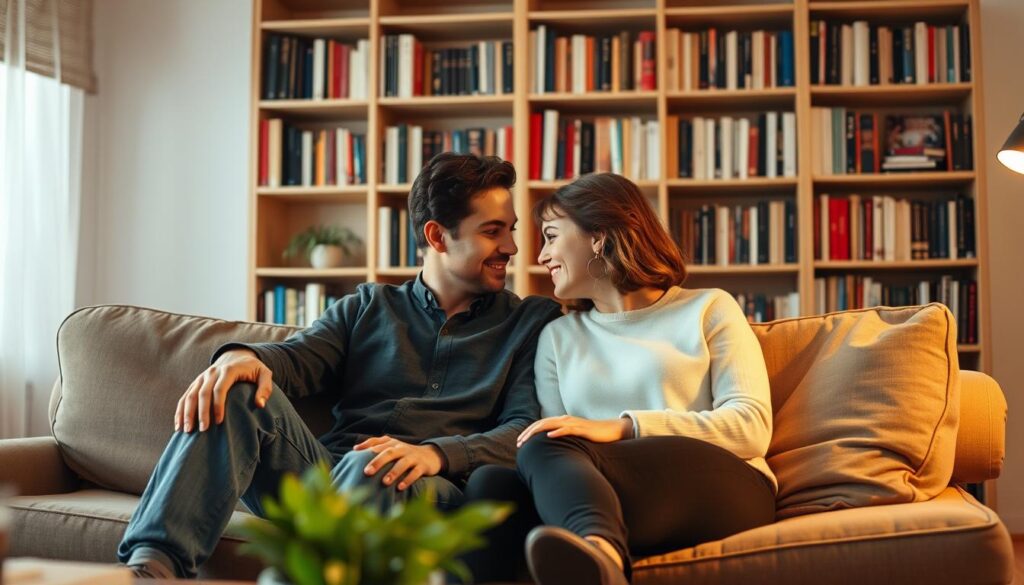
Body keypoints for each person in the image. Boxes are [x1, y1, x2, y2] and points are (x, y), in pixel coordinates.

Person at [116, 153, 562, 579]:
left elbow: (524, 429)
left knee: (377, 465)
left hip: (426, 490)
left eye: (511, 230)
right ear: (437, 236)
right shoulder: (369, 306)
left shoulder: (528, 322)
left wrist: (435, 454)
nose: (513, 246)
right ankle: (150, 570)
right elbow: (296, 359)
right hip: (330, 475)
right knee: (237, 387)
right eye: (493, 231)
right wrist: (241, 356)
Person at [463, 173, 777, 585]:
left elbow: (751, 427)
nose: (541, 256)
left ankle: (600, 551)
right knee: (492, 484)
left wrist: (621, 427)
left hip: (722, 486)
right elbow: (558, 450)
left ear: (599, 235)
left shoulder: (709, 309)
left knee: (547, 444)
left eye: (552, 236)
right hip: (609, 495)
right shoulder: (558, 337)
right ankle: (595, 552)